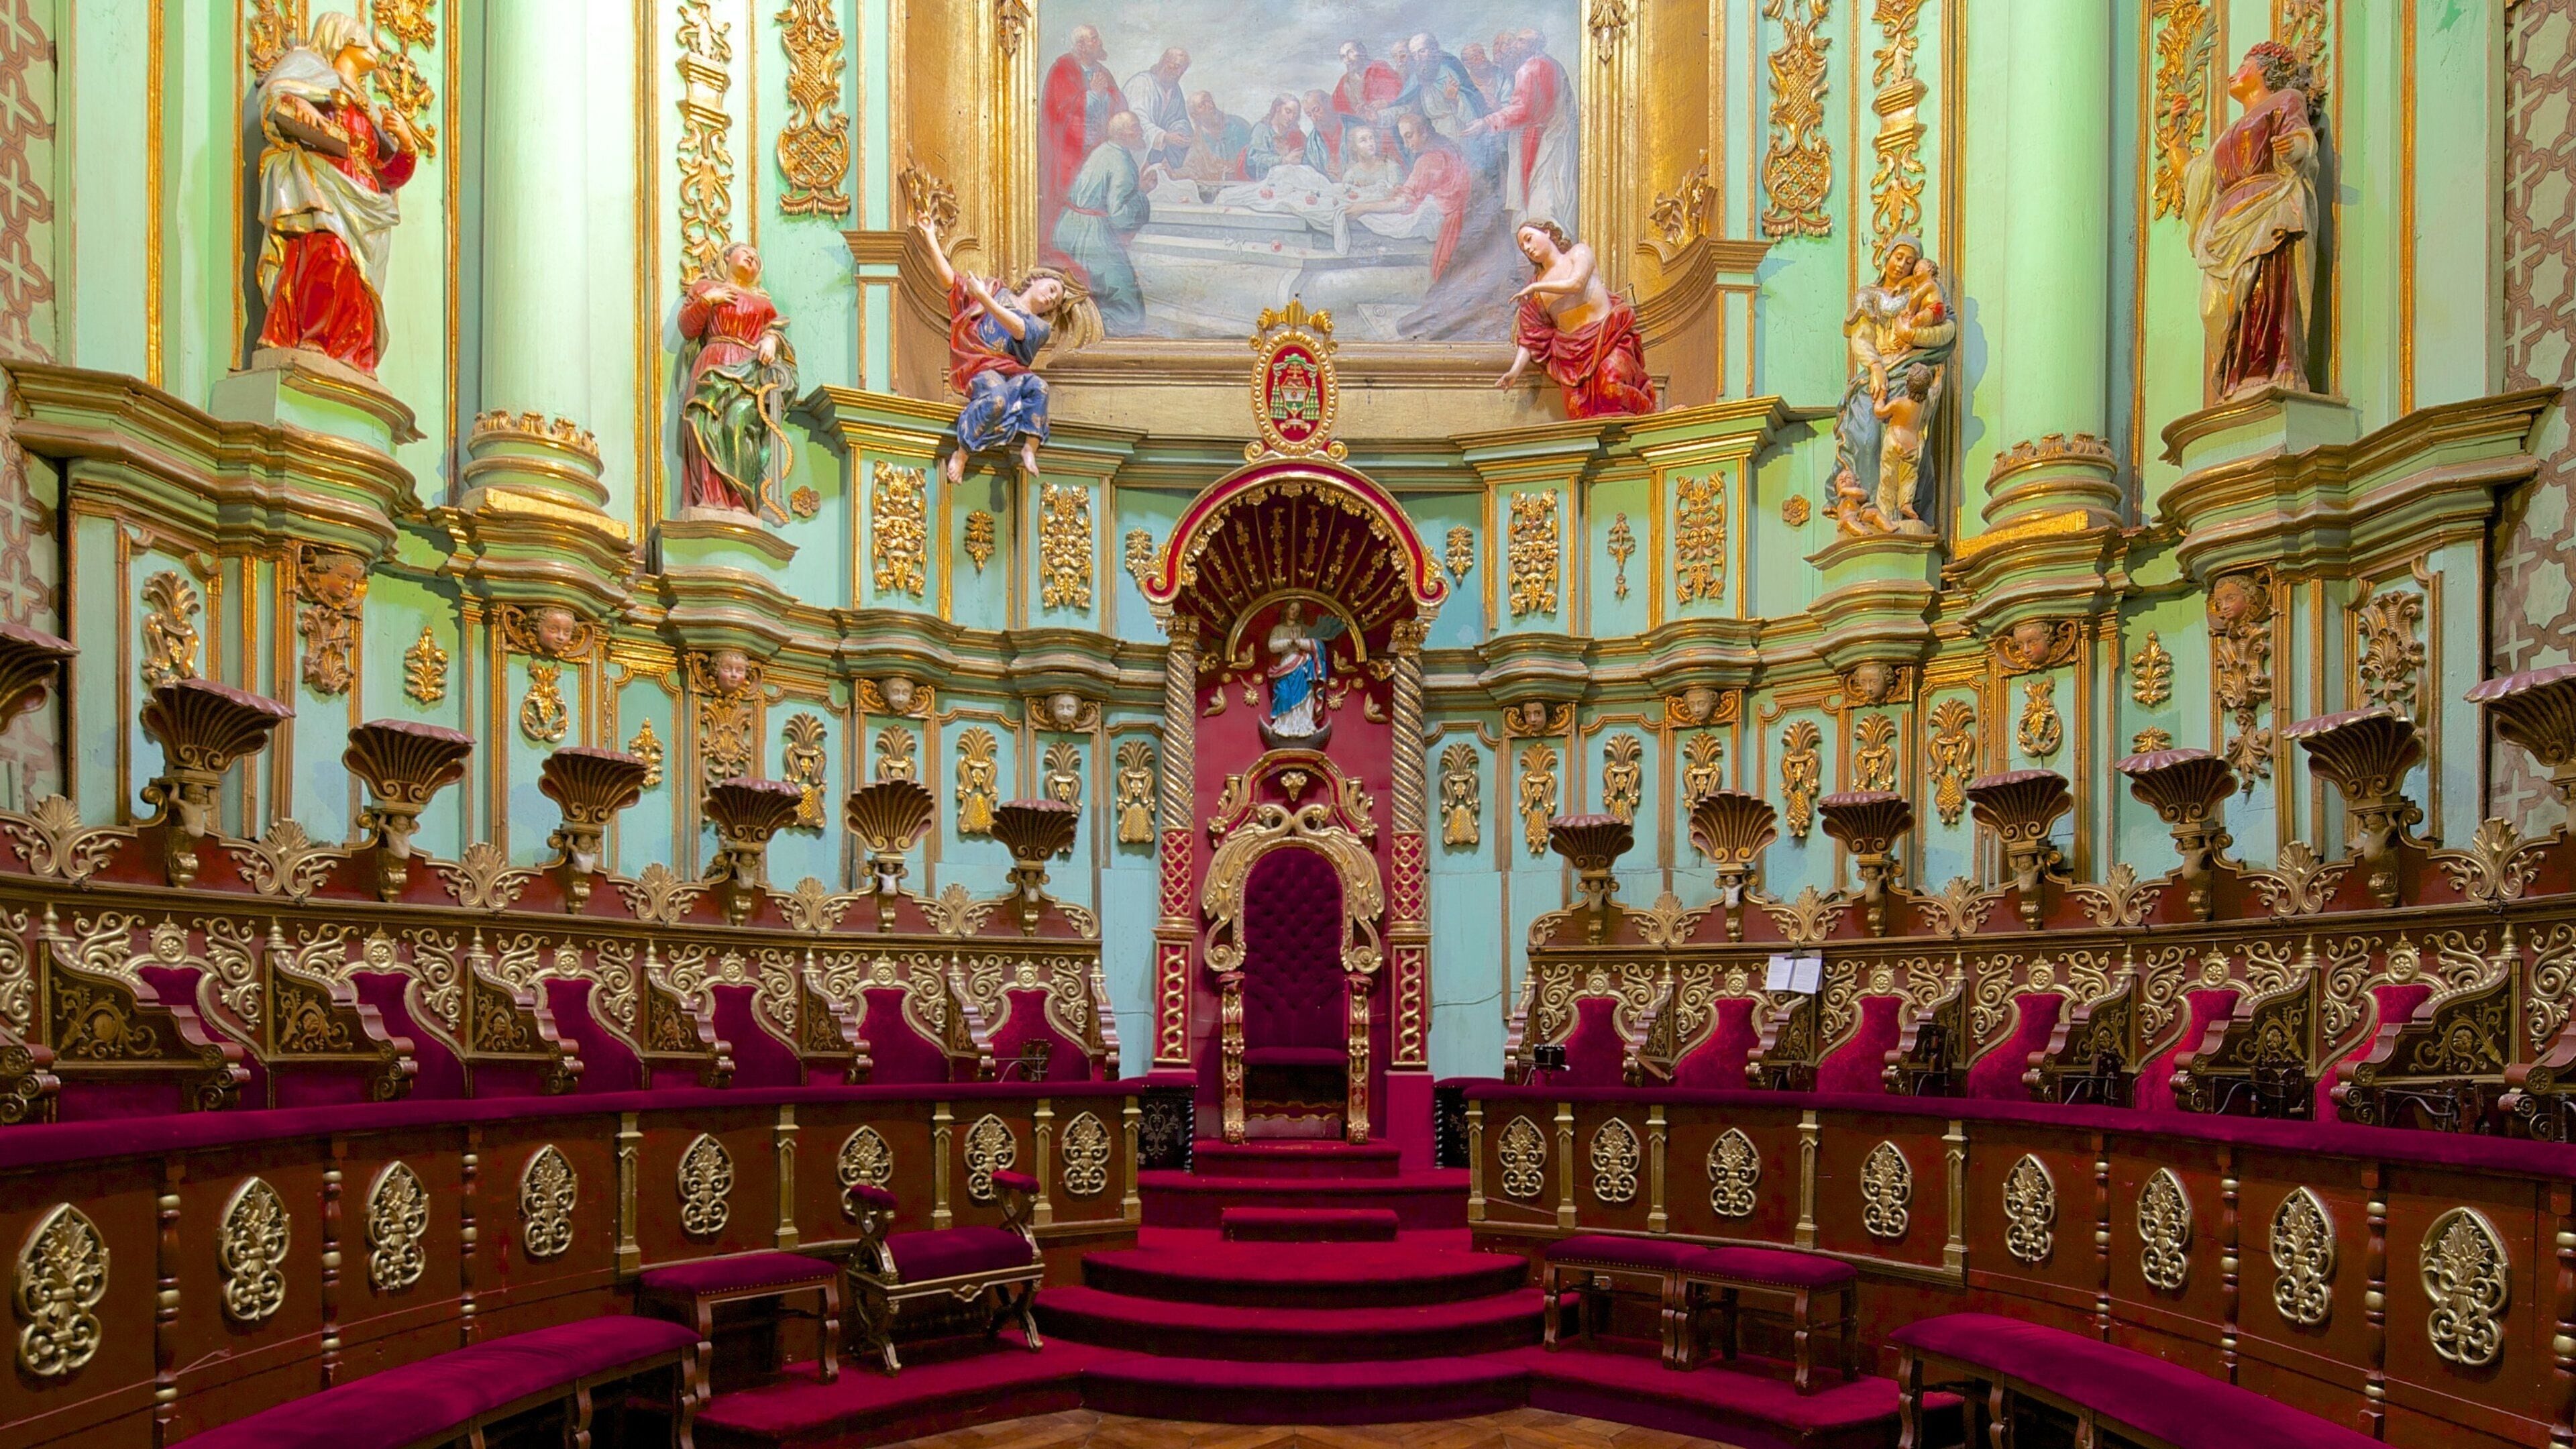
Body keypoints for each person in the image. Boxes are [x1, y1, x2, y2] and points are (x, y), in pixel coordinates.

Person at [252, 11, 421, 374]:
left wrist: (406, 144)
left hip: (364, 202)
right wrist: (296, 104)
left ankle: (352, 354)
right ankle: (313, 338)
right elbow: (276, 100)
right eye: (366, 37)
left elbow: (388, 173)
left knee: (359, 282)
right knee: (329, 254)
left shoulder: (372, 109)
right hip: (324, 186)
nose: (377, 45)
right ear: (341, 36)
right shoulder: (308, 69)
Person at [2185, 40, 2320, 404]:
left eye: (2243, 65)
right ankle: (2237, 373)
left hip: (2267, 206)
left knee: (2266, 289)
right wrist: (2176, 142)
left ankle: (2274, 365)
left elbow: (2302, 137)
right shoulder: (2228, 132)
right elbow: (2198, 174)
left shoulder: (2286, 99)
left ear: (2263, 69)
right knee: (2217, 306)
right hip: (2227, 221)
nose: (2233, 73)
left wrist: (2296, 149)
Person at [920, 215, 1100, 484]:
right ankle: (963, 452)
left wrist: (983, 298)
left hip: (1012, 373)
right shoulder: (995, 289)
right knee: (998, 399)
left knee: (1039, 387)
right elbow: (950, 283)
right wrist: (930, 236)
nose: (1051, 298)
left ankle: (1030, 448)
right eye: (1052, 289)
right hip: (981, 368)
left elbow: (1017, 328)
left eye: (1055, 302)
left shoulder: (1039, 327)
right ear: (1037, 280)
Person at [1826, 236, 1953, 533]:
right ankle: (1868, 509)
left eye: (1909, 261)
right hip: (1878, 371)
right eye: (1899, 257)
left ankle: (1898, 513)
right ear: (1887, 256)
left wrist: (1915, 337)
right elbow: (1861, 337)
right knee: (1865, 436)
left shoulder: (1923, 292)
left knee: (1906, 445)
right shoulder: (1868, 295)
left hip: (1908, 369)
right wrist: (1875, 368)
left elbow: (1946, 326)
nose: (1902, 265)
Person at [677, 243, 799, 522]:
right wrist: (708, 300)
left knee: (740, 425)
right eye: (746, 253)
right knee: (705, 424)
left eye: (757, 258)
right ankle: (710, 498)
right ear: (727, 257)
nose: (752, 258)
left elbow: (777, 335)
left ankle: (740, 499)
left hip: (749, 371)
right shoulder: (706, 287)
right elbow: (688, 328)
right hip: (713, 362)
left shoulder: (765, 305)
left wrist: (771, 339)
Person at [1495, 221, 1656, 418]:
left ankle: (1653, 416)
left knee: (1612, 389)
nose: (1528, 248)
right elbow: (1531, 337)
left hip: (1608, 337)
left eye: (1529, 239)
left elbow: (1576, 283)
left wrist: (1537, 288)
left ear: (1547, 232)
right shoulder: (1535, 288)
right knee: (1578, 412)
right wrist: (1514, 371)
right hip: (1572, 356)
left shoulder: (1578, 254)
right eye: (1523, 248)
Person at [1464, 30, 1576, 227]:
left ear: (1533, 46)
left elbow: (1522, 110)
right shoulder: (1551, 63)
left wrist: (1486, 123)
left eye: (1521, 42)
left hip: (1542, 139)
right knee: (1555, 194)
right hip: (1555, 136)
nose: (1515, 45)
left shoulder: (1530, 68)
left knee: (1540, 198)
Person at [1053, 111, 1150, 334]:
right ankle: (1097, 333)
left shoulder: (1104, 150)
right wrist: (1142, 193)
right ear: (1124, 134)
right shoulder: (1122, 162)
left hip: (1068, 227)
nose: (1141, 132)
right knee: (1128, 307)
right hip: (1092, 236)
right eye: (1136, 127)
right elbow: (1119, 216)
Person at [1348, 111, 1470, 278]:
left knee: (1378, 220)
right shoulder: (1449, 147)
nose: (1406, 145)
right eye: (1403, 139)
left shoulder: (1428, 161)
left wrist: (1363, 208)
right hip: (1463, 214)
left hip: (1450, 220)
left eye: (1409, 136)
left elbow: (1403, 203)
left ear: (1425, 132)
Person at [1038, 25, 1124, 264]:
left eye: (1097, 37)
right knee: (1071, 200)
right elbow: (1059, 109)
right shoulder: (1062, 69)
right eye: (1094, 39)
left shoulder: (1102, 71)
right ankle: (1065, 253)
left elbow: (1119, 104)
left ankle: (1096, 252)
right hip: (1070, 153)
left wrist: (1104, 96)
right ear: (1081, 46)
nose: (1099, 42)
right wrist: (1092, 96)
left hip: (1097, 150)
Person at [1871, 364, 1935, 529]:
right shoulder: (1925, 403)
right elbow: (1935, 393)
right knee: (1909, 478)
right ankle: (1906, 502)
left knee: (1888, 478)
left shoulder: (1899, 403)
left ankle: (1886, 513)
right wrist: (1939, 379)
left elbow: (1880, 412)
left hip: (1895, 441)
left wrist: (1881, 397)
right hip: (1912, 446)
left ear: (1907, 384)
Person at [1399, 33, 1488, 142]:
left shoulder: (1448, 69)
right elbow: (1404, 103)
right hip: (1434, 136)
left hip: (1458, 133)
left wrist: (1454, 100)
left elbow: (1469, 99)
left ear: (1433, 50)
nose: (1418, 58)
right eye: (1414, 55)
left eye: (1422, 51)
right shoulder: (1416, 77)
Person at [1122, 47, 1193, 170]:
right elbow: (1137, 121)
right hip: (1134, 154)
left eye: (1181, 71)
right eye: (1175, 67)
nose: (1177, 74)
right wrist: (1164, 137)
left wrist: (1180, 134)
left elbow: (1179, 119)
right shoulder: (1141, 83)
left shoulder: (1175, 90)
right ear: (1164, 63)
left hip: (1158, 158)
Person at [1264, 602, 1328, 739]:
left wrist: (1298, 642)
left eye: (1297, 611)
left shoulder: (1301, 629)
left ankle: (1302, 725)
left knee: (1304, 696)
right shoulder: (1278, 629)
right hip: (1286, 664)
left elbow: (1314, 645)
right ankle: (1283, 725)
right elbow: (1272, 646)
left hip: (1301, 665)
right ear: (1286, 610)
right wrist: (1289, 642)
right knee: (1283, 695)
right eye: (1292, 609)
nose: (1294, 612)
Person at [1179, 91, 1251, 184]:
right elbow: (1190, 168)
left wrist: (1238, 166)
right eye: (1202, 105)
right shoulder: (1198, 140)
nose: (1210, 106)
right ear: (1194, 115)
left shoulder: (1239, 126)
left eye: (1210, 101)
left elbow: (1256, 155)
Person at [1246, 94, 1326, 177]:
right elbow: (1253, 160)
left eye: (1295, 115)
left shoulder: (1296, 133)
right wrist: (1284, 160)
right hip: (1265, 182)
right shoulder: (1262, 129)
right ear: (1278, 108)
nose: (1291, 118)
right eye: (1288, 112)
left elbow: (1309, 157)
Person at [1332, 40, 1402, 123]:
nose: (1347, 60)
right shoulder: (1345, 80)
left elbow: (1399, 91)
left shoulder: (1379, 68)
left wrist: (1387, 102)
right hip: (1360, 127)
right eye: (1343, 56)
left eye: (1350, 53)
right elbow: (1335, 107)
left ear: (1363, 52)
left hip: (1385, 121)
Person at [1301, 90, 1346, 174]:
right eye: (1309, 115)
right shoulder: (1312, 143)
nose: (1314, 118)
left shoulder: (1352, 126)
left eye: (1316, 110)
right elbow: (1307, 173)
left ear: (1328, 104)